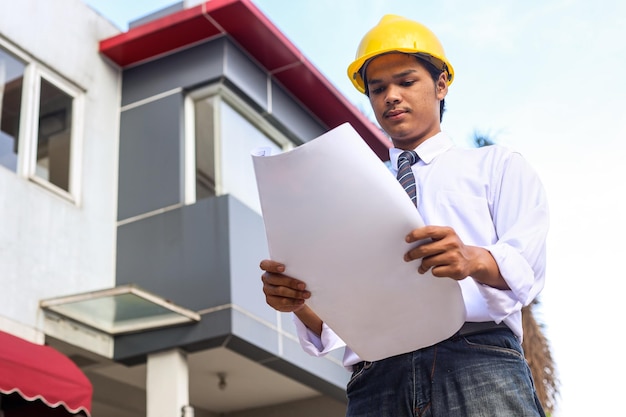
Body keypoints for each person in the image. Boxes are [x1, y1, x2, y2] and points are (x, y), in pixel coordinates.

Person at [260, 14, 549, 417]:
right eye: (378, 89)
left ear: (442, 83)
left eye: (406, 81)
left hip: (476, 359)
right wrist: (298, 302)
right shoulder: (347, 188)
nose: (391, 96)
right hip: (376, 376)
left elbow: (527, 263)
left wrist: (473, 258)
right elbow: (342, 305)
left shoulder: (495, 166)